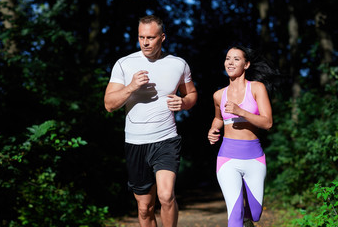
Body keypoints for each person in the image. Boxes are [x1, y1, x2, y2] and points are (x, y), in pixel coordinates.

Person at [104, 15, 197, 227]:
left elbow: (191, 94)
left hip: (166, 139)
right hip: (135, 142)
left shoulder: (178, 64)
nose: (145, 42)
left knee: (166, 196)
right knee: (145, 208)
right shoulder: (124, 64)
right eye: (141, 37)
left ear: (162, 37)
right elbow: (109, 104)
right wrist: (131, 87)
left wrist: (183, 103)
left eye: (151, 37)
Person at [207, 46, 279, 227]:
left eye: (236, 59)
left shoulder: (256, 88)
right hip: (227, 158)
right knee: (235, 211)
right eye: (227, 58)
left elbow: (268, 123)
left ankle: (249, 220)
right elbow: (218, 119)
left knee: (255, 213)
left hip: (254, 157)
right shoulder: (218, 95)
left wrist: (241, 111)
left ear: (246, 64)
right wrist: (212, 130)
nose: (230, 62)